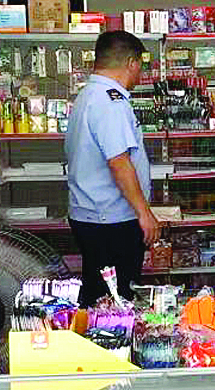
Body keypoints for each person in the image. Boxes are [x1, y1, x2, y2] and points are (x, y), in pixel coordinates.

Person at [64, 30, 160, 305]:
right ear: (131, 63)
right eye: (140, 65)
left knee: (99, 297)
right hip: (111, 220)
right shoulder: (110, 101)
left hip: (93, 215)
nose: (140, 73)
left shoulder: (87, 95)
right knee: (116, 302)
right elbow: (119, 163)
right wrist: (144, 213)